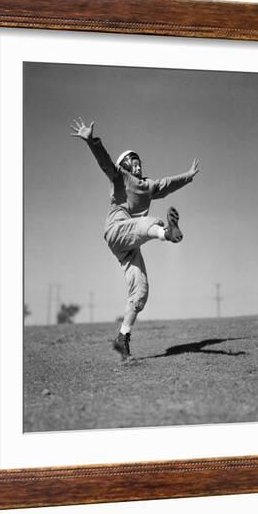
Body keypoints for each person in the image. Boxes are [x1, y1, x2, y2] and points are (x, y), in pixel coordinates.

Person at [70, 117, 200, 361]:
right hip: (117, 230)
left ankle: (122, 339)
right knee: (149, 223)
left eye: (140, 162)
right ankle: (166, 233)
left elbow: (169, 183)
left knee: (140, 291)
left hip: (131, 243)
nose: (139, 165)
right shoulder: (119, 177)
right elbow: (105, 162)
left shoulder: (149, 186)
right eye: (134, 162)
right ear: (127, 164)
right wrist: (92, 141)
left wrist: (189, 176)